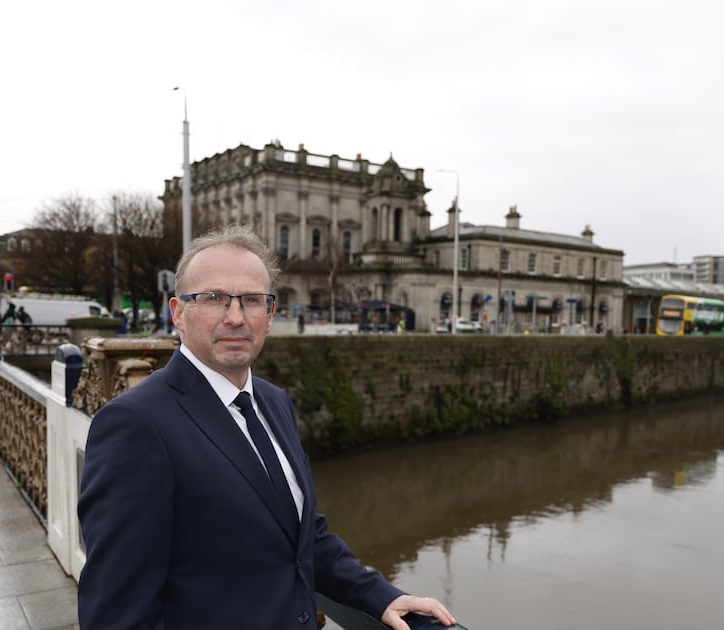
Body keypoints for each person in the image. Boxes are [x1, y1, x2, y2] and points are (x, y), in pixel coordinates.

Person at [78, 226, 456, 630]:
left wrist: (379, 596)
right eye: (214, 298)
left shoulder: (274, 402)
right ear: (179, 313)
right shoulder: (134, 424)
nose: (236, 317)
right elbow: (116, 614)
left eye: (252, 300)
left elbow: (301, 535)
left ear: (270, 315)